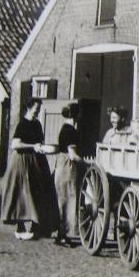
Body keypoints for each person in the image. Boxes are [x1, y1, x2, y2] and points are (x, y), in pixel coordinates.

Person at [0, 97, 58, 240]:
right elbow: (15, 144)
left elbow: (40, 142)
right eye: (35, 109)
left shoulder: (37, 124)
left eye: (38, 110)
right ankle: (20, 227)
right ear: (28, 108)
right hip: (21, 162)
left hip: (36, 162)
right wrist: (33, 146)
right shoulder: (23, 124)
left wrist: (43, 148)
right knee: (21, 193)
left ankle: (36, 226)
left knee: (39, 191)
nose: (37, 112)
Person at [53, 103, 83, 246]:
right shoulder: (71, 131)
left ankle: (61, 233)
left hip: (60, 164)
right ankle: (63, 235)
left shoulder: (64, 128)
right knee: (68, 199)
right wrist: (87, 163)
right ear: (76, 115)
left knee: (62, 199)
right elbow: (72, 155)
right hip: (68, 167)